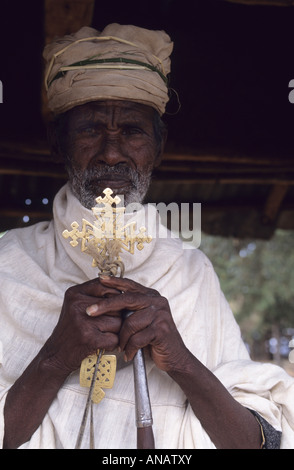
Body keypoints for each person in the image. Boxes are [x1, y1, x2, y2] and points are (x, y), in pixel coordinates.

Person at [0, 24, 293, 450]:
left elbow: (258, 444)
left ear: (158, 147)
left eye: (132, 131)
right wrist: (55, 358)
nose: (111, 151)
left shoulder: (189, 272)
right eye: (90, 129)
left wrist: (182, 362)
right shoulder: (9, 264)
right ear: (56, 143)